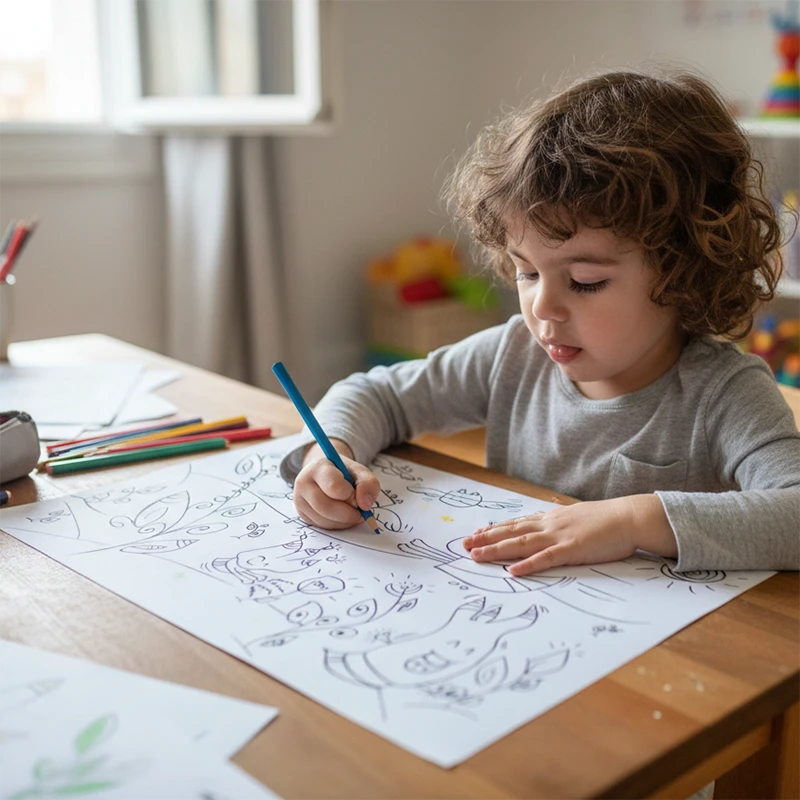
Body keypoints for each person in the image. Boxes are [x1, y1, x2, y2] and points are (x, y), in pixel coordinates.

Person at [279, 68, 800, 580]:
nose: (541, 307)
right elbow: (377, 395)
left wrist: (632, 519)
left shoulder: (724, 394)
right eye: (527, 272)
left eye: (585, 281)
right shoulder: (512, 356)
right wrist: (329, 454)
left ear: (684, 272)